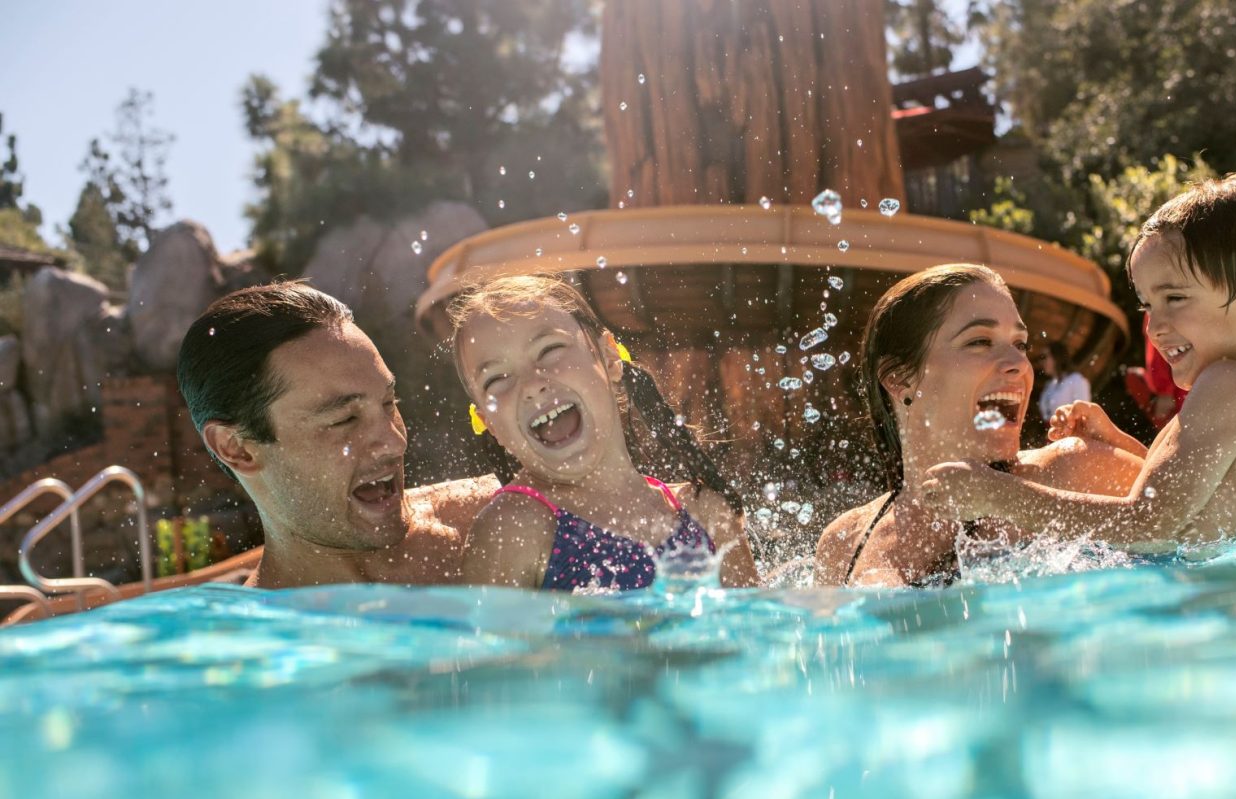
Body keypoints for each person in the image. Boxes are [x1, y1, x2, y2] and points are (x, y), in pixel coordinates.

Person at [922, 173, 1236, 550]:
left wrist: (998, 495)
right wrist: (1116, 441)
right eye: (1147, 305)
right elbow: (1194, 502)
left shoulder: (1228, 382)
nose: (1154, 328)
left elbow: (1148, 522)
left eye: (1174, 298)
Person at [814, 263, 1142, 587]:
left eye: (1020, 344)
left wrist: (1121, 445)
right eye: (979, 341)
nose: (1019, 364)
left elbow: (1187, 522)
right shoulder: (844, 541)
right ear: (899, 379)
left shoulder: (1071, 472)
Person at [449, 274, 759, 591]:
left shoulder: (704, 513)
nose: (532, 384)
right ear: (489, 424)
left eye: (549, 349)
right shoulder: (514, 528)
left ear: (609, 358)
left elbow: (756, 635)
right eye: (496, 379)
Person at [177, 282, 494, 588]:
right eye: (345, 420)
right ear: (236, 448)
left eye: (388, 403)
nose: (394, 442)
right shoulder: (261, 636)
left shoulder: (497, 520)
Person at [1035, 341, 1091, 420]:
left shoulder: (1076, 380)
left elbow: (1083, 415)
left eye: (1044, 357)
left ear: (1056, 357)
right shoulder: (1049, 385)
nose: (1041, 362)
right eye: (1040, 358)